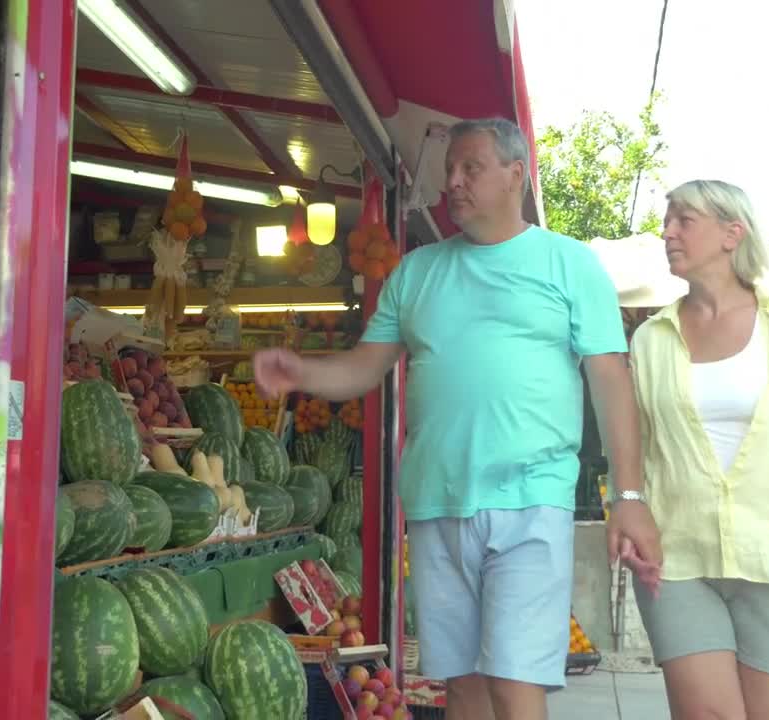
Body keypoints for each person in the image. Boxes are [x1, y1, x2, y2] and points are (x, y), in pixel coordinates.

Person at [253, 117, 661, 720]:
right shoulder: (417, 272)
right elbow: (367, 366)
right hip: (436, 501)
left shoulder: (569, 265)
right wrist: (303, 372)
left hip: (530, 498)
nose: (454, 182)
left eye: (472, 167)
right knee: (461, 685)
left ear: (516, 174)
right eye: (451, 170)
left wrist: (626, 494)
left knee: (515, 682)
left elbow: (610, 382)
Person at [628, 179, 769, 720]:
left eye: (684, 219)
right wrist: (627, 502)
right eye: (668, 220)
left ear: (733, 232)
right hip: (677, 560)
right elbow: (636, 450)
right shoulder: (651, 340)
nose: (668, 232)